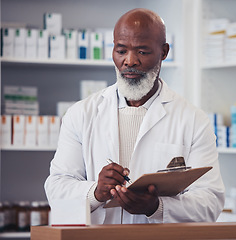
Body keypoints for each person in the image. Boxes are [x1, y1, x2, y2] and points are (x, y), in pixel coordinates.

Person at [44, 8, 225, 224]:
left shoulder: (193, 120)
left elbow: (210, 202)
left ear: (164, 52)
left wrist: (157, 207)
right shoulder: (81, 114)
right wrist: (96, 192)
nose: (130, 61)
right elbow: (56, 188)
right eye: (121, 51)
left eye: (142, 52)